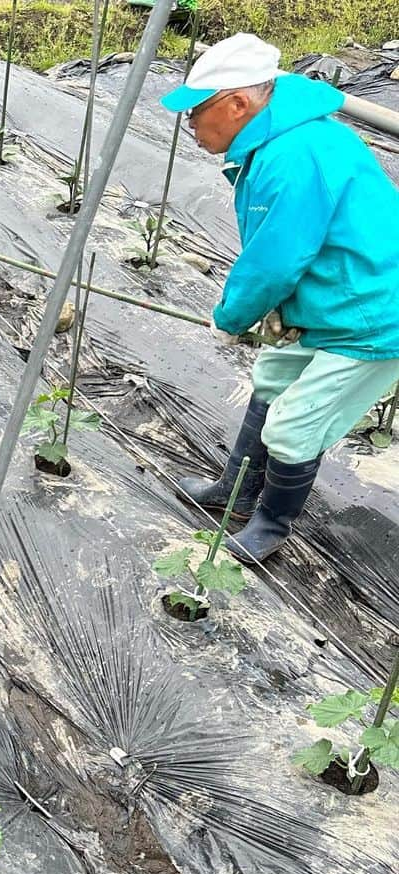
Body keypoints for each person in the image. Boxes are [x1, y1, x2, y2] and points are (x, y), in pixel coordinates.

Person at [161, 33, 399, 562]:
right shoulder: (277, 139)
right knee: (272, 378)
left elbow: (275, 260)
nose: (192, 126)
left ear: (238, 104)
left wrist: (231, 315)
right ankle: (238, 489)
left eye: (196, 114)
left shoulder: (293, 155)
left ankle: (271, 524)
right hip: (331, 303)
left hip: (372, 318)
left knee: (294, 426)